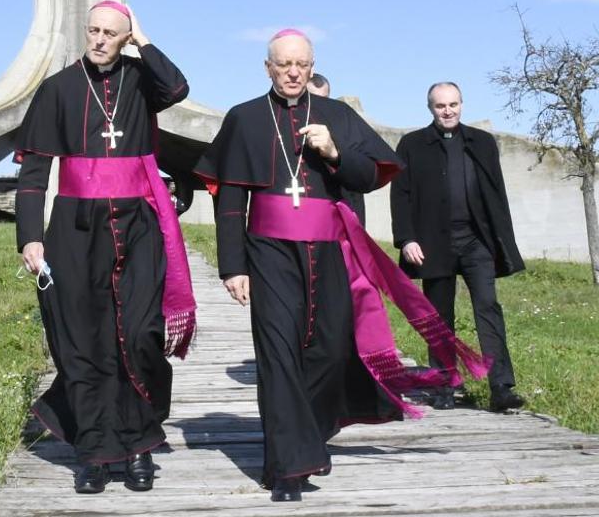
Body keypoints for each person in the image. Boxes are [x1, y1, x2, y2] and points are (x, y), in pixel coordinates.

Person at [199, 31, 485, 502]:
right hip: (268, 251)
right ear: (267, 67)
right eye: (284, 64)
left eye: (302, 64)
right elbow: (230, 199)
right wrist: (233, 265)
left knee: (331, 350)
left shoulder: (337, 116)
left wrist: (334, 153)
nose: (293, 72)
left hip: (329, 251)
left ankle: (305, 438)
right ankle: (290, 466)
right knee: (278, 353)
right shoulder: (245, 118)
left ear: (312, 67)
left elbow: (373, 174)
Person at [15, 1, 195, 494]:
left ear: (125, 36)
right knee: (85, 344)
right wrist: (30, 235)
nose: (98, 39)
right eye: (92, 29)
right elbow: (33, 172)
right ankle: (95, 452)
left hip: (138, 225)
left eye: (110, 33)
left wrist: (145, 40)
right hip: (75, 228)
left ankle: (138, 442)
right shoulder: (57, 89)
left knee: (139, 334)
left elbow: (178, 88)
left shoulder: (141, 81)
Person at [391, 82, 527, 412]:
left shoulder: (482, 143)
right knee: (439, 317)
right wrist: (406, 239)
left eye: (453, 104)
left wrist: (499, 241)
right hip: (433, 244)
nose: (448, 110)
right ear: (430, 108)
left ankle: (501, 387)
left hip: (476, 242)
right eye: (441, 106)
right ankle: (443, 386)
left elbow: (497, 194)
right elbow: (401, 195)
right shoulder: (412, 145)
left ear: (462, 105)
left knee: (488, 308)